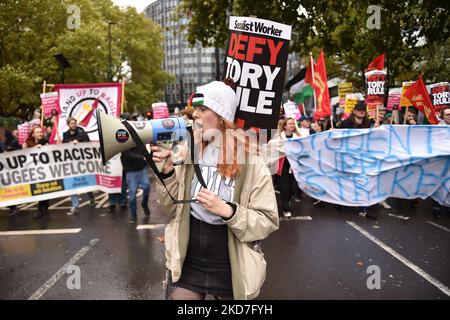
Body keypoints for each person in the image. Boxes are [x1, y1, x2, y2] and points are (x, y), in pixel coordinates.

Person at [151, 79, 278, 300]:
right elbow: (170, 209)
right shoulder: (187, 150)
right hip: (188, 255)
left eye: (202, 109)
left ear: (221, 118)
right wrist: (168, 172)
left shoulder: (251, 161)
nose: (195, 116)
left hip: (230, 259)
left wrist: (228, 210)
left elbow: (267, 220)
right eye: (194, 111)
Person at [339, 102, 376, 219]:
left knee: (364, 182)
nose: (361, 112)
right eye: (359, 110)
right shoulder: (346, 123)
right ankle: (342, 202)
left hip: (364, 158)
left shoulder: (368, 123)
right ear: (354, 111)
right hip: (349, 158)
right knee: (348, 182)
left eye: (363, 110)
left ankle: (363, 208)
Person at [62, 117, 96, 215]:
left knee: (85, 183)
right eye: (72, 123)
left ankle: (91, 196)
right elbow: (63, 147)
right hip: (71, 164)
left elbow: (89, 145)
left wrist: (79, 143)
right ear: (68, 124)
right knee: (72, 184)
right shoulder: (65, 135)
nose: (74, 125)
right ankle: (75, 206)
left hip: (82, 163)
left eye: (75, 123)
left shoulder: (82, 133)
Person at [120, 143, 150, 224]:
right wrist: (142, 157)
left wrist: (148, 156)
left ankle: (144, 204)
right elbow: (126, 153)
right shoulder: (124, 138)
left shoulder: (138, 137)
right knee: (132, 193)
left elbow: (144, 150)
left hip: (142, 167)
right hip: (131, 170)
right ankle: (133, 214)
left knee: (147, 186)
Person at [278, 117, 302, 217]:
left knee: (293, 189)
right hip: (283, 165)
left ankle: (287, 201)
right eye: (290, 123)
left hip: (294, 166)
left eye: (293, 124)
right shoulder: (279, 136)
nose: (292, 125)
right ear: (285, 126)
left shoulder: (298, 136)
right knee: (284, 188)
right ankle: (286, 208)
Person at [23, 127, 49, 219]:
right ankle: (43, 208)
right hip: (33, 171)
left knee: (43, 189)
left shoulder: (45, 141)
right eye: (37, 132)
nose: (40, 133)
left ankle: (42, 209)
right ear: (33, 134)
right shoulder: (28, 143)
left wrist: (45, 147)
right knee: (39, 190)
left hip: (44, 170)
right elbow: (23, 155)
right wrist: (31, 148)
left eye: (41, 132)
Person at [1, 130, 22, 216]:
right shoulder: (4, 142)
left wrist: (8, 151)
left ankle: (13, 207)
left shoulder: (3, 143)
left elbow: (4, 153)